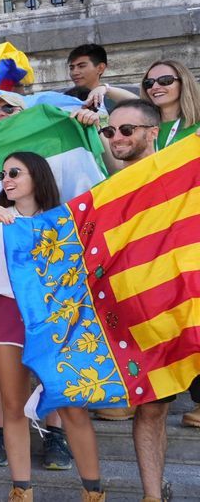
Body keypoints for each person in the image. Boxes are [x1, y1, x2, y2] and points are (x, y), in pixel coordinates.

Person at [0, 152, 105, 502]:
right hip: (4, 314)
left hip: (54, 318)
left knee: (72, 406)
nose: (6, 179)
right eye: (3, 173)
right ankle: (21, 489)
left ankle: (93, 492)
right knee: (12, 404)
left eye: (15, 172)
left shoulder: (64, 219)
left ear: (37, 176)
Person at [97, 98, 181, 501]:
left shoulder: (182, 172)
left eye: (126, 130)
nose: (116, 137)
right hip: (147, 319)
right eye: (109, 131)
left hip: (191, 310)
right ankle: (153, 496)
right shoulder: (106, 192)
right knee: (151, 410)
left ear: (152, 132)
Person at [140, 59, 200, 151]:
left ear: (183, 83)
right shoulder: (140, 129)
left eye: (165, 80)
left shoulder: (197, 126)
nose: (155, 87)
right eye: (149, 83)